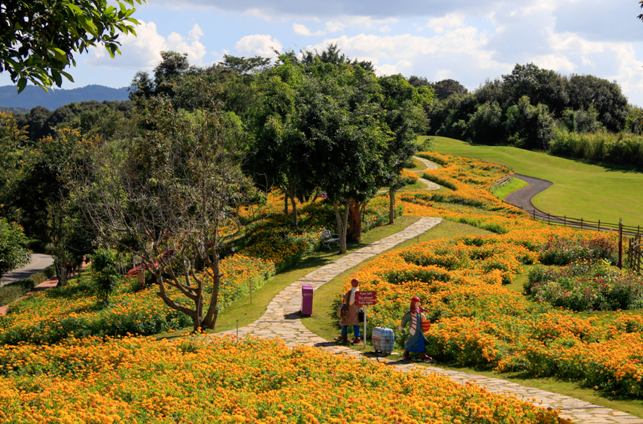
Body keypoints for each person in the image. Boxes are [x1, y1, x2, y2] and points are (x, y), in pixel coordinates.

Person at [399, 296, 435, 362]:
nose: (418, 304)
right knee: (411, 341)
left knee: (422, 341)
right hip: (413, 330)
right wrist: (402, 326)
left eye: (418, 303)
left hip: (419, 331)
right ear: (413, 303)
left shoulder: (418, 311)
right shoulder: (409, 313)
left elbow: (421, 311)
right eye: (416, 303)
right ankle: (406, 354)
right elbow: (404, 319)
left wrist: (423, 315)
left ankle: (423, 355)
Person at [335, 278, 362, 344]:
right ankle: (357, 337)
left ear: (351, 284)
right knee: (356, 324)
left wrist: (344, 295)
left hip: (349, 310)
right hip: (357, 311)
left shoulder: (350, 292)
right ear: (358, 284)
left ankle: (343, 335)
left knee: (345, 321)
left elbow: (346, 299)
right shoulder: (359, 292)